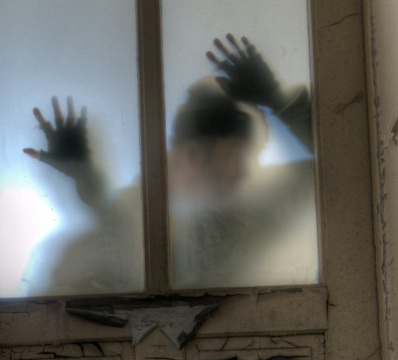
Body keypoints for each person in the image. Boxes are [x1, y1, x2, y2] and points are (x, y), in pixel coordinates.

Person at [21, 34, 316, 294]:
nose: (247, 169)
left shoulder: (264, 210)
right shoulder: (126, 229)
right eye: (236, 154)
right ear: (194, 155)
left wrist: (279, 99)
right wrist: (86, 178)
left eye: (255, 154)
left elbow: (347, 168)